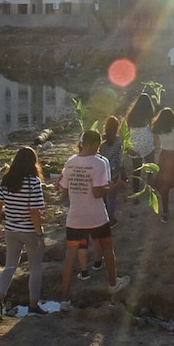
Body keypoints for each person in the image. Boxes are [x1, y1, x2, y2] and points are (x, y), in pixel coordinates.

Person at [57, 130, 130, 311]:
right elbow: (98, 192)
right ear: (95, 144)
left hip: (75, 216)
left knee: (69, 257)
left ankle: (64, 300)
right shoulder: (100, 162)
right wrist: (114, 186)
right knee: (107, 247)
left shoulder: (70, 162)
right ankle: (113, 284)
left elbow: (64, 191)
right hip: (96, 215)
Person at [0, 147, 47, 319]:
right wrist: (40, 235)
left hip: (11, 229)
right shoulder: (33, 183)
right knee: (35, 268)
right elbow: (34, 211)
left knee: (10, 266)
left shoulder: (6, 180)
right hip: (29, 231)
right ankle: (33, 305)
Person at [151, 107, 174, 223]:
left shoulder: (158, 130)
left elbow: (155, 143)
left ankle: (165, 213)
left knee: (164, 185)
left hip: (164, 156)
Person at [123, 93, 156, 198]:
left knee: (136, 170)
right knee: (150, 168)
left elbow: (128, 130)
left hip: (135, 144)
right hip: (147, 143)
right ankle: (151, 191)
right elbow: (151, 128)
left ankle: (135, 193)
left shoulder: (131, 114)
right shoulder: (149, 113)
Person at [99, 115, 125, 226]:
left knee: (103, 195)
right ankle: (111, 219)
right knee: (112, 197)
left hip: (101, 169)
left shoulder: (101, 139)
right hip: (113, 170)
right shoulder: (119, 140)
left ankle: (102, 217)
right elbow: (120, 157)